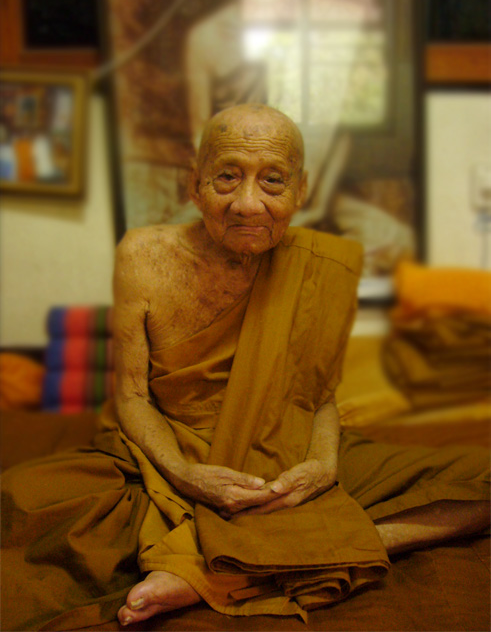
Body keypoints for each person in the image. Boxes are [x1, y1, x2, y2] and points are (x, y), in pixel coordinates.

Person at [1, 104, 489, 631]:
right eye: (227, 177)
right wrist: (187, 476)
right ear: (195, 185)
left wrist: (323, 466)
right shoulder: (142, 255)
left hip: (288, 448)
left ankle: (221, 572)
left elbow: (319, 395)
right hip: (172, 453)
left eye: (273, 180)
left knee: (481, 480)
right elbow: (133, 396)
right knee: (21, 499)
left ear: (301, 190)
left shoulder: (320, 264)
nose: (248, 204)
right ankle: (299, 551)